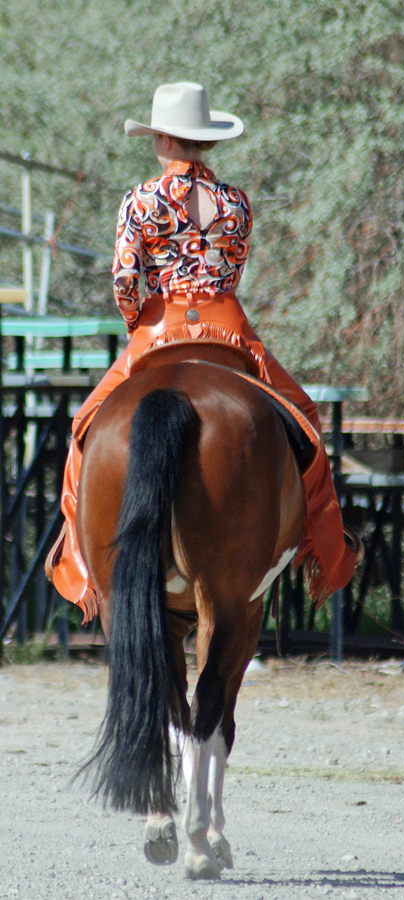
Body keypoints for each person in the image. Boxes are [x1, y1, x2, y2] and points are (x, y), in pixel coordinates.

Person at [46, 82, 357, 623]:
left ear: (163, 137)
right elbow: (231, 271)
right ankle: (325, 549)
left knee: (85, 425)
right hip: (226, 325)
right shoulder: (236, 202)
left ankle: (75, 558)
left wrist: (136, 320)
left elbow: (125, 278)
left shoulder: (139, 199)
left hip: (158, 328)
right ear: (203, 140)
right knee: (304, 418)